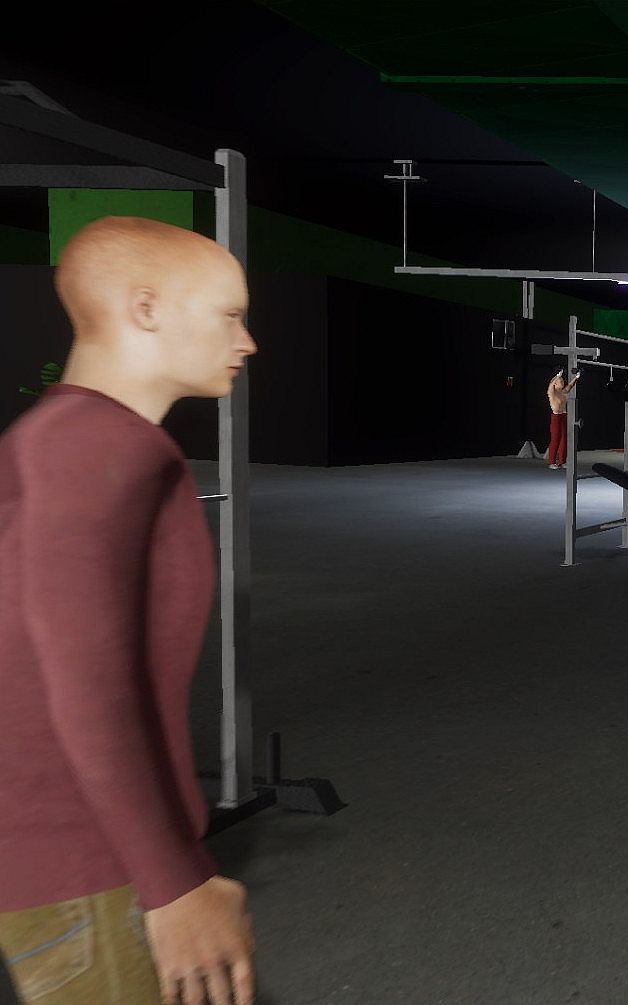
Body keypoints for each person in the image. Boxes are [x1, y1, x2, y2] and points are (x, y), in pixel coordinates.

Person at [1, 217, 259, 1005]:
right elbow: (85, 684)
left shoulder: (64, 437)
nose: (246, 341)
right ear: (144, 308)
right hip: (83, 866)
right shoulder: (95, 449)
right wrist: (171, 879)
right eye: (228, 315)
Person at [546, 368, 581, 470]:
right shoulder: (552, 393)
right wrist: (557, 376)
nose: (562, 382)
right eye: (560, 381)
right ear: (555, 384)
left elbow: (570, 385)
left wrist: (576, 377)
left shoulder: (563, 392)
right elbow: (550, 386)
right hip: (556, 417)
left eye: (562, 380)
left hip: (563, 416)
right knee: (555, 439)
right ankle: (552, 462)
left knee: (564, 439)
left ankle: (562, 461)